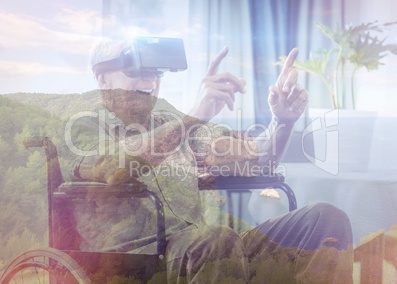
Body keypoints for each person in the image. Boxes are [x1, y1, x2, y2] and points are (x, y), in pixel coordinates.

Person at [65, 38, 353, 283]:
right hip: (134, 260)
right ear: (103, 78)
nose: (151, 81)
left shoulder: (172, 122)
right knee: (216, 239)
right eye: (138, 71)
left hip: (199, 249)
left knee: (325, 219)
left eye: (157, 73)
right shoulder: (83, 125)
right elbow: (119, 168)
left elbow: (257, 161)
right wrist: (195, 115)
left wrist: (282, 122)